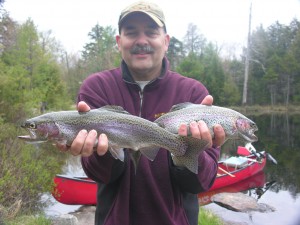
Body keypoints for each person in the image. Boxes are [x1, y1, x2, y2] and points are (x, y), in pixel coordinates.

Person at [58, 1, 225, 225]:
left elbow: (201, 184)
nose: (141, 41)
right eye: (131, 32)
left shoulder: (193, 92)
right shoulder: (96, 88)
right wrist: (102, 150)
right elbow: (101, 176)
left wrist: (190, 153)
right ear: (119, 42)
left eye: (151, 32)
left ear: (166, 41)